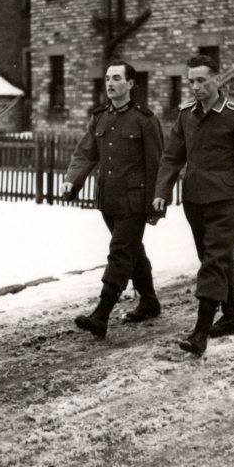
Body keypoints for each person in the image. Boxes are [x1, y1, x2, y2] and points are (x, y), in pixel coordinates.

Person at [153, 54, 234, 357]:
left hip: (225, 202)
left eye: (202, 80)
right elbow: (172, 156)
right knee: (215, 258)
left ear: (218, 79)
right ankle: (230, 316)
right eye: (191, 81)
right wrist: (162, 190)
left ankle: (201, 331)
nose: (195, 87)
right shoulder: (186, 114)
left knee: (213, 262)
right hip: (194, 201)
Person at [61, 60, 165, 338]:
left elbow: (157, 163)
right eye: (108, 78)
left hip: (135, 201)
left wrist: (158, 200)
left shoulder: (145, 120)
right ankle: (149, 300)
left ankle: (102, 314)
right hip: (108, 200)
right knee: (132, 250)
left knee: (120, 252)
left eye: (117, 78)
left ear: (131, 84)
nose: (110, 83)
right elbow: (85, 153)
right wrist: (72, 180)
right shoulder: (101, 118)